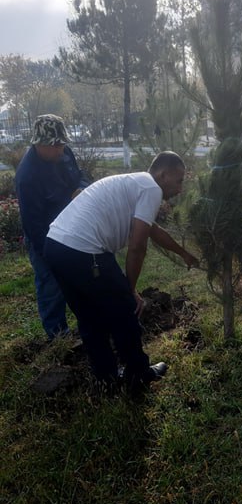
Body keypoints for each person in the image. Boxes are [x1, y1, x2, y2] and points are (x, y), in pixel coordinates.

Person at [43, 151, 199, 396]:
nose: (180, 188)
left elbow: (152, 230)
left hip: (56, 246)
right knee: (126, 311)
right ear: (163, 174)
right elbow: (137, 247)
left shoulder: (135, 182)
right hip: (85, 251)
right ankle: (139, 376)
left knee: (89, 317)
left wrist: (183, 253)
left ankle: (106, 380)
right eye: (179, 180)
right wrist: (130, 290)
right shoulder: (151, 188)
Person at [15, 114, 90, 340]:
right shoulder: (27, 176)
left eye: (62, 144)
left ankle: (89, 321)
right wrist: (48, 252)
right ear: (39, 144)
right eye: (55, 145)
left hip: (71, 226)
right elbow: (33, 224)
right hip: (44, 234)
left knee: (81, 275)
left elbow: (79, 176)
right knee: (51, 283)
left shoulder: (64, 153)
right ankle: (58, 336)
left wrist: (82, 188)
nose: (60, 149)